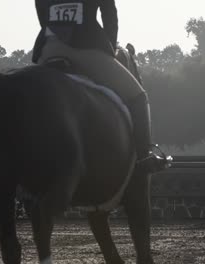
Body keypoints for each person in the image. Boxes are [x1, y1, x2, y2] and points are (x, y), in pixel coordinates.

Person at [32, 0, 170, 172]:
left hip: (49, 49)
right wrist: (110, 48)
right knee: (138, 95)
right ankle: (144, 156)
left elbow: (42, 13)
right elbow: (110, 15)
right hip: (87, 47)